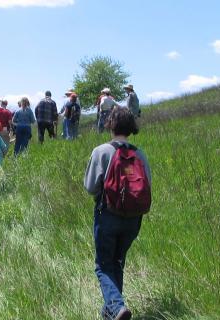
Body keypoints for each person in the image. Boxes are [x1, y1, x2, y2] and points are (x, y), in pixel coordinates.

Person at [83, 108, 151, 320]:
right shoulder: (140, 154)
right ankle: (111, 312)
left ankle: (117, 307)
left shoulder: (101, 151)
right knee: (117, 261)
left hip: (108, 215)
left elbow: (91, 187)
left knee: (103, 265)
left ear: (110, 124)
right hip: (133, 218)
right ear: (131, 127)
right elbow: (146, 186)